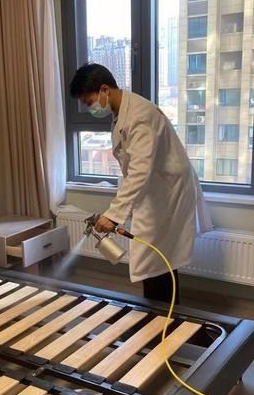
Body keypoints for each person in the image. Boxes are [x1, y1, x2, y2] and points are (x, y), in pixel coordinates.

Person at [69, 63, 212, 304]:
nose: (88, 108)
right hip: (157, 189)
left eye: (88, 101)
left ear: (104, 90)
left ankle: (163, 314)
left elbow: (140, 169)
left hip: (167, 191)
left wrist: (114, 215)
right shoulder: (123, 111)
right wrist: (117, 212)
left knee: (156, 257)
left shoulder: (138, 115)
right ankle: (158, 311)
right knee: (157, 257)